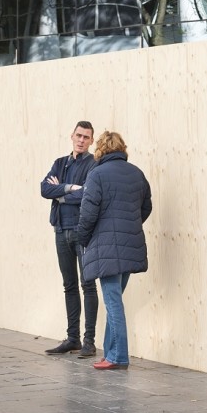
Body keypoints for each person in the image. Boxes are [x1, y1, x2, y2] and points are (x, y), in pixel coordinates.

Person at [78, 131, 151, 370]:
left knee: (113, 303)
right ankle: (110, 352)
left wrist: (84, 239)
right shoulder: (136, 173)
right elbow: (146, 206)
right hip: (130, 245)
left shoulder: (96, 174)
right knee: (115, 300)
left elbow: (88, 213)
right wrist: (130, 225)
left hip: (106, 248)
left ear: (100, 149)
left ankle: (118, 356)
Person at [40, 121, 98, 358]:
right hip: (60, 230)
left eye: (86, 137)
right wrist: (70, 188)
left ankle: (89, 341)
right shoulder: (60, 163)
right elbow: (44, 189)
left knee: (87, 284)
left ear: (91, 141)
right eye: (78, 135)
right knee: (69, 285)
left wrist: (61, 193)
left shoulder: (93, 165)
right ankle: (72, 338)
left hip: (81, 231)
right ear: (71, 136)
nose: (81, 140)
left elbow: (88, 194)